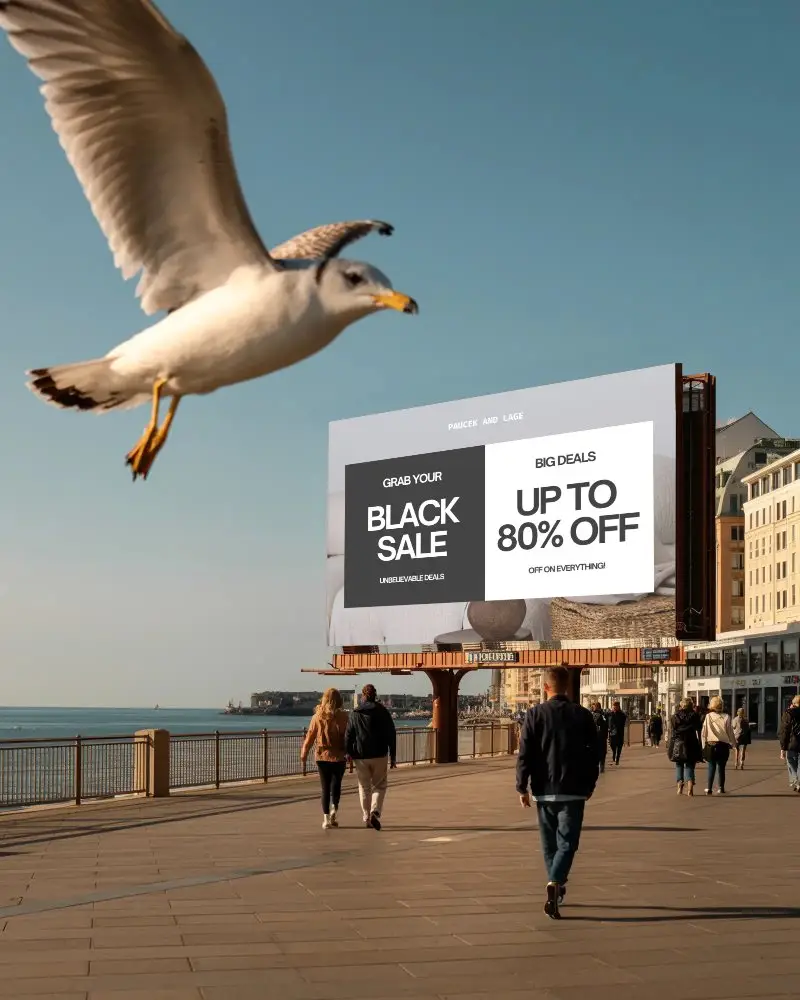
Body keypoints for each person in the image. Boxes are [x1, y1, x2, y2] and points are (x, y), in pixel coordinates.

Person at [516, 666, 600, 920]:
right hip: (574, 789)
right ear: (567, 687)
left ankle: (556, 884)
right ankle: (555, 883)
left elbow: (525, 753)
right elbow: (595, 753)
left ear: (545, 687)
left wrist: (522, 785)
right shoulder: (583, 715)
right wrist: (590, 784)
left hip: (543, 789)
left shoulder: (534, 715)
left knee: (549, 844)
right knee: (568, 843)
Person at [345, 684, 397, 830]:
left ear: (363, 696)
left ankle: (366, 816)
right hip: (380, 754)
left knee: (364, 787)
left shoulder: (355, 713)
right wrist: (393, 756)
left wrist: (348, 753)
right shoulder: (383, 711)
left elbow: (348, 735)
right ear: (375, 695)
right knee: (380, 785)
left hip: (360, 756)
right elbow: (391, 734)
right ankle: (376, 811)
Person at [300, 687, 349, 829]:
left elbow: (310, 736)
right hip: (339, 756)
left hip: (322, 756)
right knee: (336, 785)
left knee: (325, 787)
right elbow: (349, 736)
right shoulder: (344, 717)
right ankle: (334, 808)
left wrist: (304, 753)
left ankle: (326, 819)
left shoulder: (317, 716)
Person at [700, 696, 736, 795]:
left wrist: (703, 746)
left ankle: (709, 788)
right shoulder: (727, 717)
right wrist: (734, 744)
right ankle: (721, 788)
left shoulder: (708, 716)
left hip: (711, 744)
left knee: (711, 767)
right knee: (722, 768)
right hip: (723, 745)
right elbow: (730, 732)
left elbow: (704, 732)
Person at [668, 697, 703, 796]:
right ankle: (690, 786)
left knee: (679, 763)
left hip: (678, 742)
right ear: (691, 706)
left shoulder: (675, 716)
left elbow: (673, 730)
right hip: (691, 742)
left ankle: (679, 785)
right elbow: (699, 728)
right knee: (690, 764)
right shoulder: (695, 715)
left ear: (681, 705)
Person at [778, 694, 800, 792]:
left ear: (793, 704)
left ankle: (796, 782)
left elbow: (784, 731)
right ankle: (797, 782)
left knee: (791, 764)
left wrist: (783, 747)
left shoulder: (788, 713)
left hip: (792, 744)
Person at [590, 701, 609, 773]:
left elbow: (605, 724)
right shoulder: (602, 714)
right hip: (600, 736)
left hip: (599, 736)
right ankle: (601, 765)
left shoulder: (600, 715)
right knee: (601, 751)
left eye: (594, 706)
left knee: (599, 751)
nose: (593, 708)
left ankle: (600, 765)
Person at [607, 702, 627, 766]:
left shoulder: (622, 715)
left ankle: (617, 759)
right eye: (613, 706)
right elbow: (608, 722)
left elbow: (623, 723)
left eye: (616, 706)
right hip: (612, 733)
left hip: (619, 733)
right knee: (612, 744)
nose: (614, 708)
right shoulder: (610, 714)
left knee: (619, 747)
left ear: (618, 707)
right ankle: (614, 753)